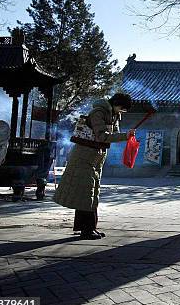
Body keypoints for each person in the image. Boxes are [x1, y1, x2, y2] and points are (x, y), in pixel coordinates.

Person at [54, 93, 135, 239]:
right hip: (84, 156)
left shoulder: (113, 115)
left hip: (96, 157)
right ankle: (87, 230)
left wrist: (125, 135)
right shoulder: (98, 113)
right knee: (86, 193)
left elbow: (113, 134)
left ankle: (87, 227)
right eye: (122, 108)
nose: (122, 111)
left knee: (90, 192)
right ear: (116, 104)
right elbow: (102, 136)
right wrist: (125, 136)